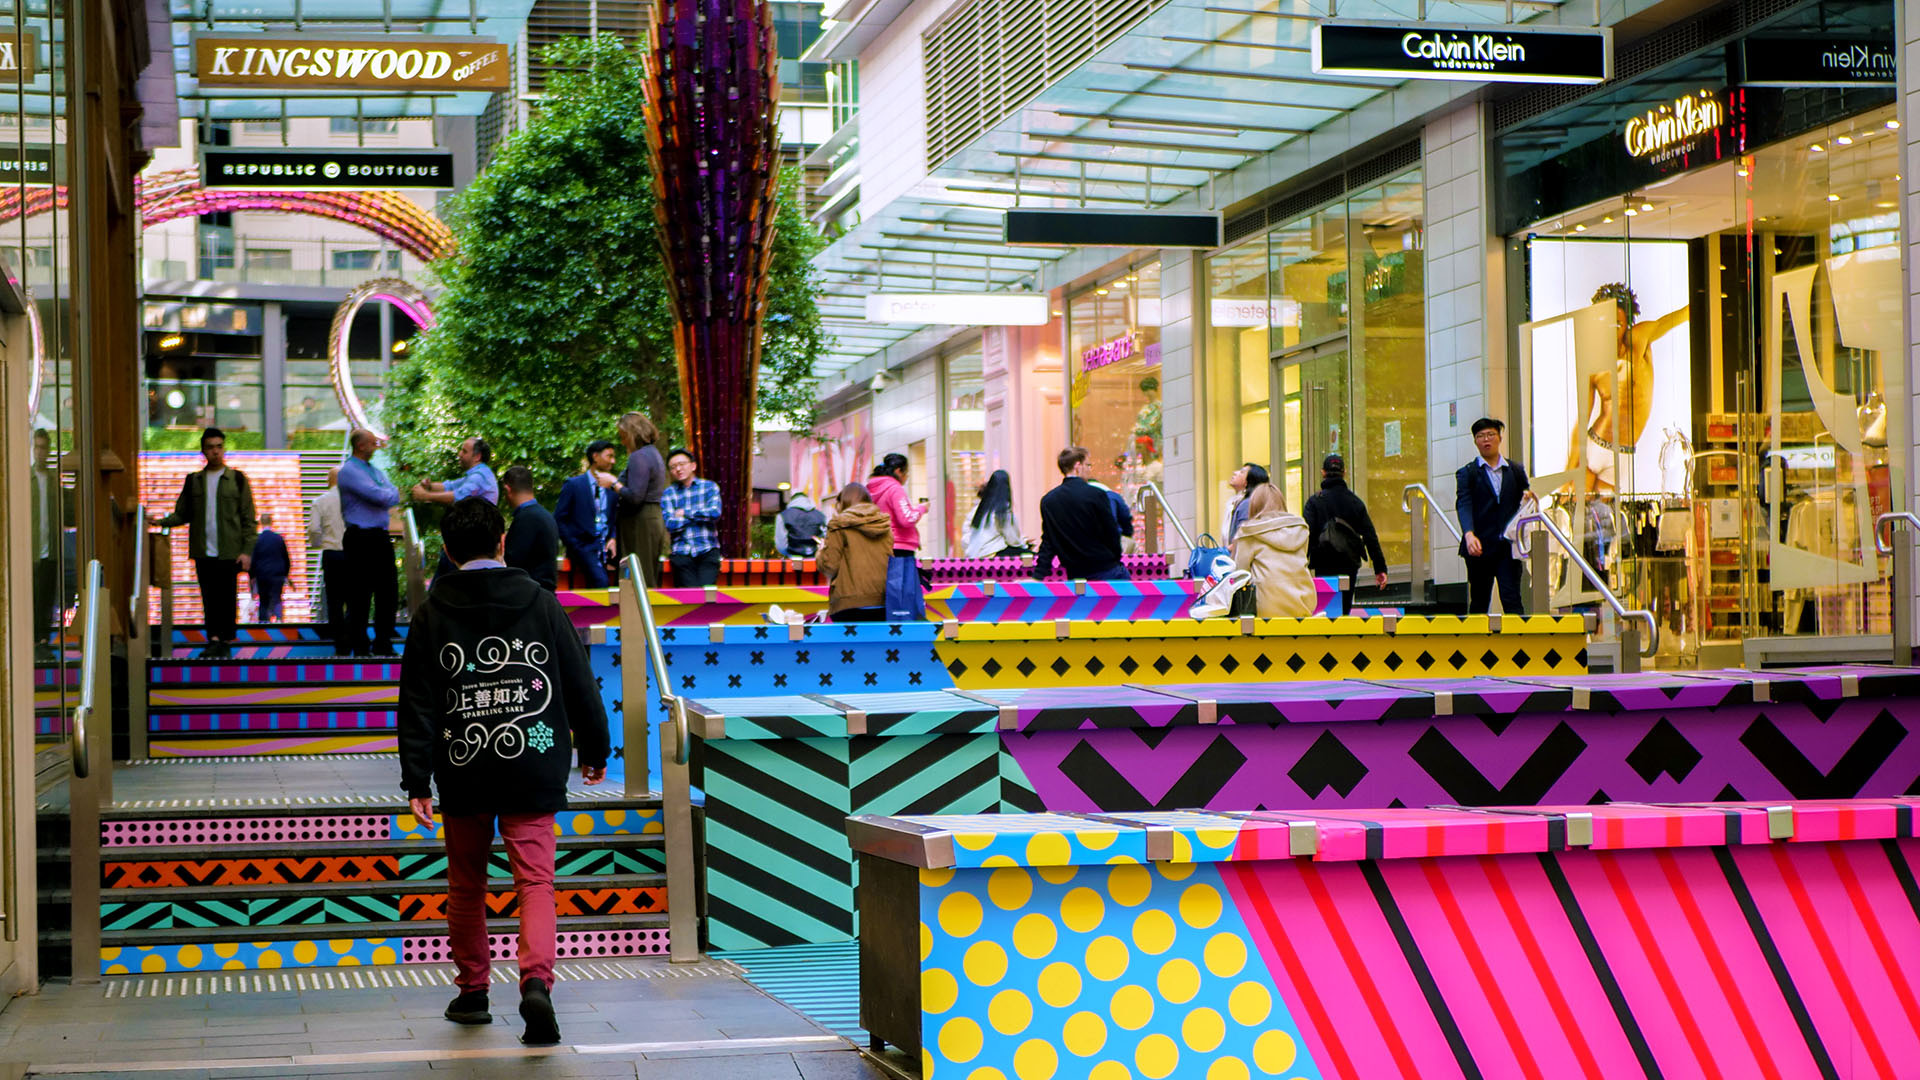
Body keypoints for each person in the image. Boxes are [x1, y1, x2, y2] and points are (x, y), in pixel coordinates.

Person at [397, 497, 610, 1047]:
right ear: (502, 544)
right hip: (532, 762)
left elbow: (417, 701)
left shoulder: (431, 612)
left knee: (467, 883)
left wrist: (416, 778)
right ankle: (536, 982)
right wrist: (594, 748)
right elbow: (577, 679)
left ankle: (472, 993)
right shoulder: (540, 602)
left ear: (445, 550)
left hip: (462, 764)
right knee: (535, 880)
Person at [1563, 282, 1690, 494]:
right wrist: (1568, 470)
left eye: (1617, 323)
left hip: (1624, 454)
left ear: (1627, 323)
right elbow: (1582, 419)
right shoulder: (1593, 364)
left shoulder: (1639, 339)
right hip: (1595, 448)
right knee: (1576, 508)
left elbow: (1676, 318)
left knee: (1608, 518)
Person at [152, 428, 257, 658]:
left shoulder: (237, 480)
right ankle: (214, 640)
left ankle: (225, 641)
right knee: (209, 596)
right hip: (202, 550)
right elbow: (182, 514)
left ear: (224, 448)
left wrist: (247, 551)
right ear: (203, 451)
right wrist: (158, 521)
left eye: (219, 446)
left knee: (227, 596)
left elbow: (249, 519)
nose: (215, 451)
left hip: (229, 551)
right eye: (210, 447)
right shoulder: (194, 481)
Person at [1456, 417, 1531, 615]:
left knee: (1511, 597)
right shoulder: (1468, 473)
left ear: (1499, 438)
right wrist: (1469, 534)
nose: (1486, 440)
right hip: (1479, 547)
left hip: (1508, 546)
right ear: (1475, 441)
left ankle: (1518, 643)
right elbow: (1463, 503)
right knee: (1480, 600)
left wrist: (1529, 497)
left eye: (1490, 434)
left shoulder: (1515, 470)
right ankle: (1476, 645)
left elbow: (1527, 498)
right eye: (1480, 436)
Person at [338, 428, 401, 656]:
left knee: (388, 590)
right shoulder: (348, 471)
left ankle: (383, 641)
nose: (376, 447)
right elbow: (382, 495)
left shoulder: (374, 470)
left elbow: (390, 492)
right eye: (372, 443)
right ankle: (360, 644)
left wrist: (388, 493)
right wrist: (388, 493)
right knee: (360, 593)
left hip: (379, 536)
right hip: (360, 537)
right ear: (360, 445)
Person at [1302, 453, 1389, 614]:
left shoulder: (1315, 502)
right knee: (1345, 607)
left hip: (1323, 561)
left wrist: (1301, 564)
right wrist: (1380, 568)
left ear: (1323, 472)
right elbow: (1370, 536)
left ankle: (1329, 635)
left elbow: (1306, 534)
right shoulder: (1355, 502)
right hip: (1349, 562)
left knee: (1326, 609)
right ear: (1344, 472)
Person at [1034, 447, 1126, 582]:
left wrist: (1039, 574)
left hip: (1075, 574)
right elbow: (1111, 532)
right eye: (1088, 465)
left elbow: (1049, 541)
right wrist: (1115, 556)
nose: (1089, 470)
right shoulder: (1096, 495)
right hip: (1106, 569)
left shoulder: (1049, 501)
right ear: (1078, 466)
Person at [1234, 485, 1314, 617]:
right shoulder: (1299, 529)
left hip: (1265, 607)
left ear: (1254, 505)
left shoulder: (1249, 532)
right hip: (1302, 603)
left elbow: (1240, 573)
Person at [816, 482, 891, 621]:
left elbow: (830, 566)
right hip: (884, 601)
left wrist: (820, 552)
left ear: (842, 503)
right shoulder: (884, 524)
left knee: (849, 643)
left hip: (848, 603)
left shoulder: (838, 525)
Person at [610, 413, 669, 588]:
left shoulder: (639, 456)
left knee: (638, 576)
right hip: (651, 518)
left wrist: (613, 483)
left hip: (640, 520)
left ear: (632, 433)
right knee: (645, 572)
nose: (623, 442)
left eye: (623, 437)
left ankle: (640, 614)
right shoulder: (654, 454)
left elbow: (635, 496)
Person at [555, 440, 618, 588]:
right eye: (609, 456)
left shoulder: (613, 489)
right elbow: (559, 518)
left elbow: (614, 520)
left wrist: (613, 538)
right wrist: (573, 544)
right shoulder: (574, 485)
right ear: (595, 457)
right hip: (582, 548)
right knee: (601, 582)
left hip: (606, 551)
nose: (613, 461)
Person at [659, 448, 723, 586]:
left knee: (707, 594)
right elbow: (670, 523)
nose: (678, 469)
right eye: (673, 467)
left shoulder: (709, 487)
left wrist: (685, 513)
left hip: (707, 548)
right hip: (681, 552)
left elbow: (714, 513)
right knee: (690, 594)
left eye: (682, 464)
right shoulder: (669, 493)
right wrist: (699, 515)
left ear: (693, 466)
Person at [502, 466, 560, 592]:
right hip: (546, 593)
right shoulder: (545, 515)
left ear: (507, 489)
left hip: (532, 594)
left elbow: (513, 562)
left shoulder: (526, 518)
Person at [28, 429, 61, 654]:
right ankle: (32, 639)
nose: (41, 452)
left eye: (44, 447)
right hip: (31, 550)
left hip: (50, 549)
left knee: (47, 596)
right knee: (33, 596)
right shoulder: (26, 479)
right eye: (37, 447)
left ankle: (43, 640)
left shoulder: (52, 480)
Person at [308, 468, 347, 648]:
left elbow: (314, 529)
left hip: (331, 553)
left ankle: (339, 642)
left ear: (328, 480)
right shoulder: (352, 502)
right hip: (353, 553)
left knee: (334, 600)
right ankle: (354, 637)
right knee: (355, 598)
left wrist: (318, 544)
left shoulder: (320, 501)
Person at [867, 453, 930, 560]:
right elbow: (907, 519)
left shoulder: (871, 489)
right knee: (901, 577)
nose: (907, 476)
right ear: (898, 471)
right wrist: (922, 508)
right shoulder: (895, 488)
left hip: (878, 544)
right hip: (899, 546)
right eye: (906, 472)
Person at [964, 470, 1027, 558]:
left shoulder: (979, 509)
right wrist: (1025, 544)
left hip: (975, 555)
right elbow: (1013, 540)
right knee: (1030, 558)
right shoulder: (1002, 510)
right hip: (992, 554)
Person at [249, 512, 291, 623]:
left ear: (260, 523)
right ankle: (279, 622)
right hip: (277, 574)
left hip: (262, 575)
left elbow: (253, 560)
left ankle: (263, 625)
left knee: (263, 601)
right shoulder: (279, 539)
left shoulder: (257, 540)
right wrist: (286, 574)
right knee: (277, 599)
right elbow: (286, 559)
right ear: (272, 522)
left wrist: (252, 576)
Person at [1225, 463, 1270, 546]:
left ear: (1248, 482)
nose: (1235, 472)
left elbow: (1243, 539)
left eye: (1242, 472)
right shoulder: (1235, 501)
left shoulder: (1247, 504)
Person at [774, 492, 827, 559]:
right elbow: (826, 538)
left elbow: (781, 545)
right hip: (816, 559)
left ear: (792, 501)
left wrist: (788, 554)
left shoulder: (783, 516)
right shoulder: (821, 516)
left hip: (793, 558)